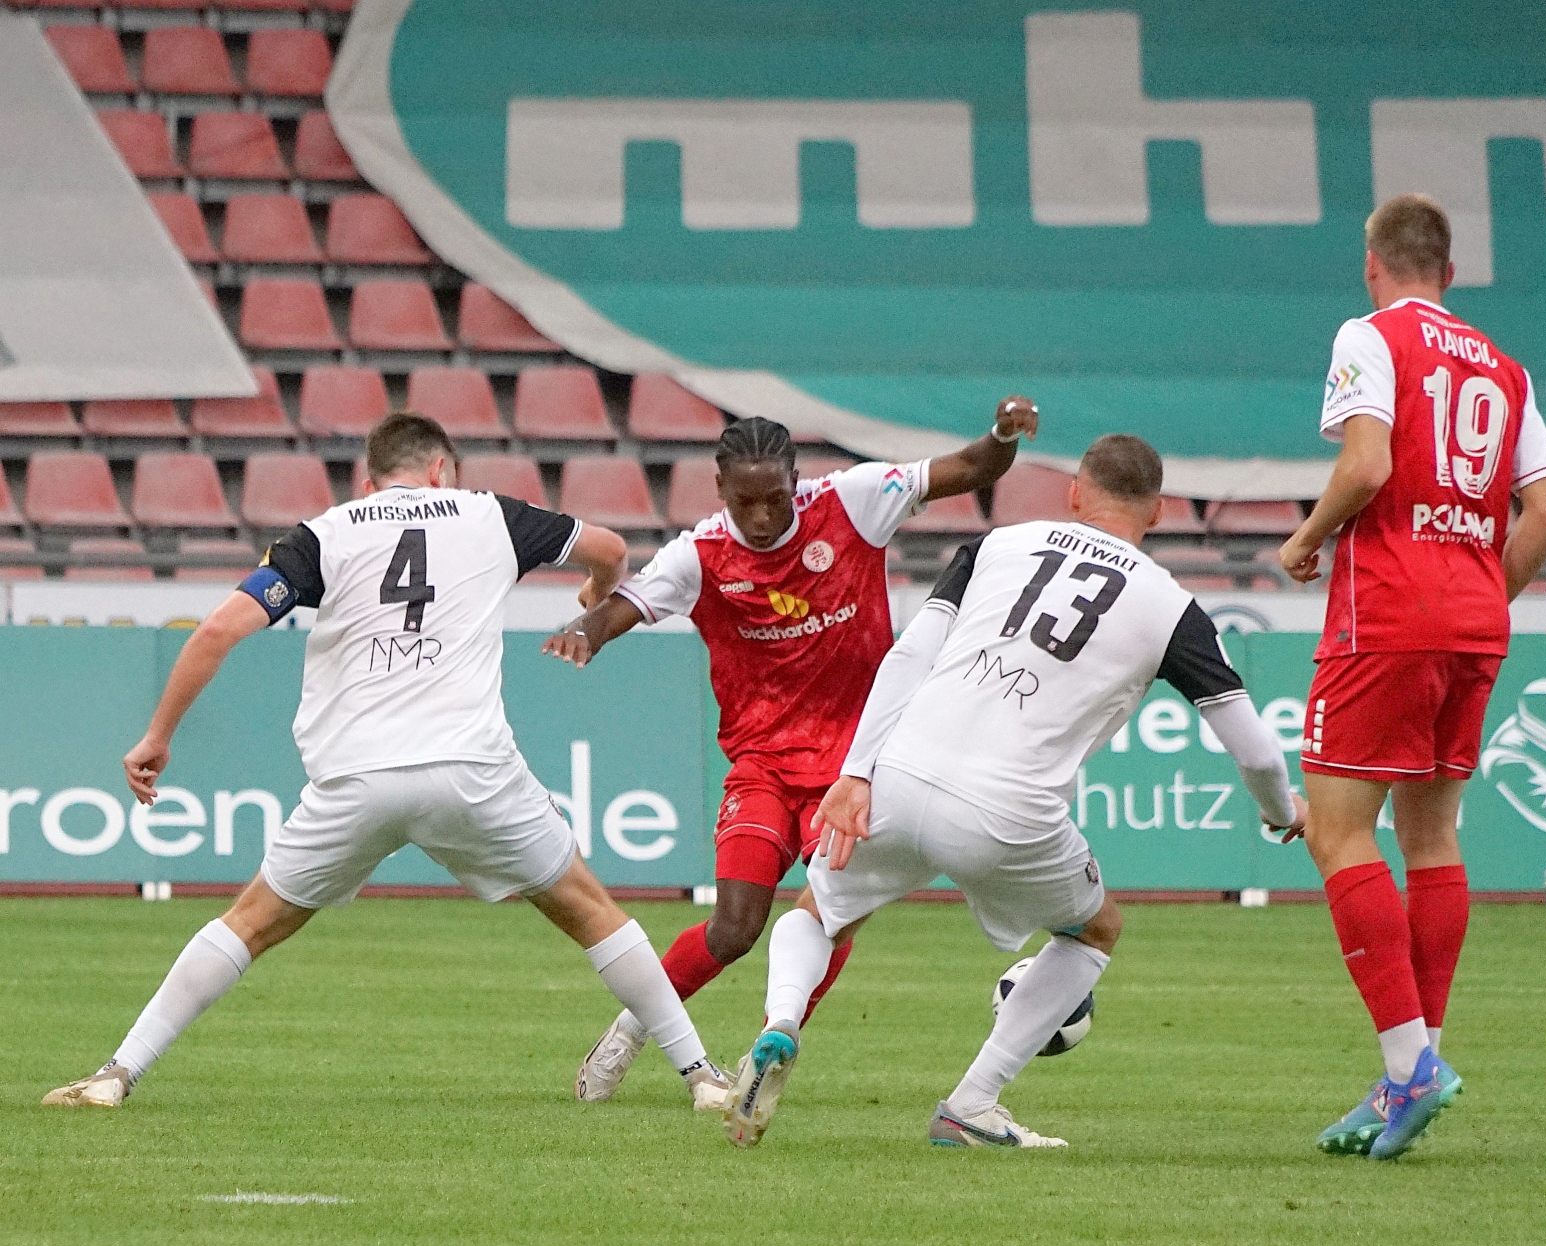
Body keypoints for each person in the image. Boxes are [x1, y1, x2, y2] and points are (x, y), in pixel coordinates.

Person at [43, 414, 726, 1110]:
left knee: (248, 923)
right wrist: (596, 593)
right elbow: (611, 549)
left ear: (369, 483)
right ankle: (700, 1075)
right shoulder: (491, 515)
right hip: (472, 769)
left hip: (358, 776)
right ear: (440, 471)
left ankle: (117, 1073)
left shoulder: (327, 533)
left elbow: (218, 629)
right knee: (588, 908)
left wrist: (158, 736)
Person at [720, 434, 1306, 1151]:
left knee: (818, 911)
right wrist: (1283, 812)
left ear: (1075, 493)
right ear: (1158, 511)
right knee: (1094, 929)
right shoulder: (1172, 607)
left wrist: (856, 772)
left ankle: (782, 1022)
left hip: (902, 772)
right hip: (1007, 811)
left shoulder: (997, 544)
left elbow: (910, 654)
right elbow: (1255, 750)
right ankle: (972, 1103)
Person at [543, 399, 1040, 1105]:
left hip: (852, 772)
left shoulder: (854, 502)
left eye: (775, 498)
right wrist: (586, 633)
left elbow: (968, 468)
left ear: (795, 481)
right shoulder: (701, 555)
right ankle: (631, 1028)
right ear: (720, 489)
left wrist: (1002, 435)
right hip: (762, 768)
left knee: (833, 914)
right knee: (734, 927)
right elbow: (624, 605)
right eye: (744, 501)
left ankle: (768, 1052)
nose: (762, 516)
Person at [1276, 194, 1546, 1160]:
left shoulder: (1370, 336)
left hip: (1388, 613)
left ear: (1373, 265)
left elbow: (1365, 466)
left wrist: (1307, 538)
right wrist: (1480, 594)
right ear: (1451, 272)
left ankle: (1410, 1067)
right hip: (1475, 623)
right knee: (1432, 835)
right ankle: (1413, 1067)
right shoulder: (1507, 368)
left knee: (1337, 830)